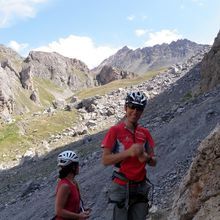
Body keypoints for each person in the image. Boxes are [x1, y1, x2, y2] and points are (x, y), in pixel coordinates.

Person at [101, 91, 157, 220]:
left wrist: (146, 158)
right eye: (132, 106)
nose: (135, 111)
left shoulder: (145, 133)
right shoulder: (114, 131)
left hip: (140, 187)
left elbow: (154, 161)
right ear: (125, 108)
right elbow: (105, 160)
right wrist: (128, 153)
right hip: (120, 185)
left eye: (139, 108)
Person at [55, 150, 91, 220]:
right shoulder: (65, 186)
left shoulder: (73, 182)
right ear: (73, 167)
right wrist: (79, 216)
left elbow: (70, 205)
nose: (79, 167)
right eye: (77, 164)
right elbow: (59, 211)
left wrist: (82, 210)